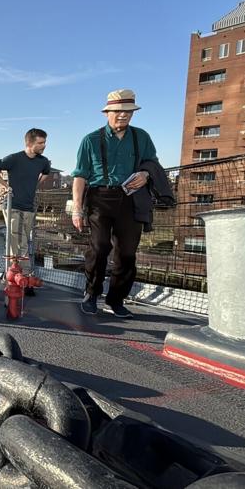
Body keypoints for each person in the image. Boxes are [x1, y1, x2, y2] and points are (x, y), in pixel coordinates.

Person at [70, 89, 158, 318]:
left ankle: (116, 300)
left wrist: (146, 174)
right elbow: (80, 176)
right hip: (100, 197)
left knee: (127, 253)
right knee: (99, 247)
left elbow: (152, 163)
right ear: (107, 112)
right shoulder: (90, 140)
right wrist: (77, 210)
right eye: (118, 111)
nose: (123, 115)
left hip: (131, 198)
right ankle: (91, 294)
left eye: (128, 111)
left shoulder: (142, 137)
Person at [0, 128, 52, 272]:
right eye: (40, 143)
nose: (44, 145)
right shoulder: (14, 158)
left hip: (29, 207)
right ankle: (26, 275)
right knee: (20, 243)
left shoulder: (43, 162)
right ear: (30, 143)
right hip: (13, 206)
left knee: (20, 242)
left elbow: (46, 173)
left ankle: (14, 273)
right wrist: (6, 186)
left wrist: (35, 184)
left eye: (45, 142)